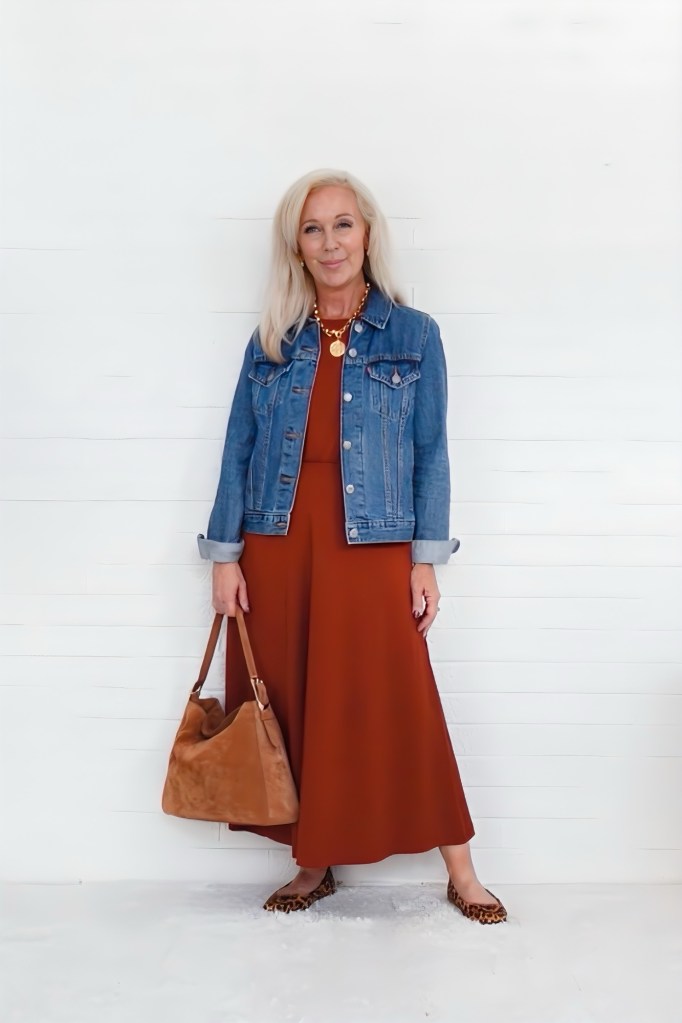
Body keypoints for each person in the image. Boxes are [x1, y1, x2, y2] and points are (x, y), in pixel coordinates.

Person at [197, 169, 507, 924]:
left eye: (342, 224)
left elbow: (431, 450)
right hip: (278, 534)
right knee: (299, 695)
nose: (329, 241)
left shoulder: (413, 333)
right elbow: (238, 444)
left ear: (367, 233)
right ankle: (312, 862)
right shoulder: (274, 337)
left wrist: (425, 556)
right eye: (312, 228)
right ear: (295, 247)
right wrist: (225, 553)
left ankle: (460, 867)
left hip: (371, 542)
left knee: (400, 694)